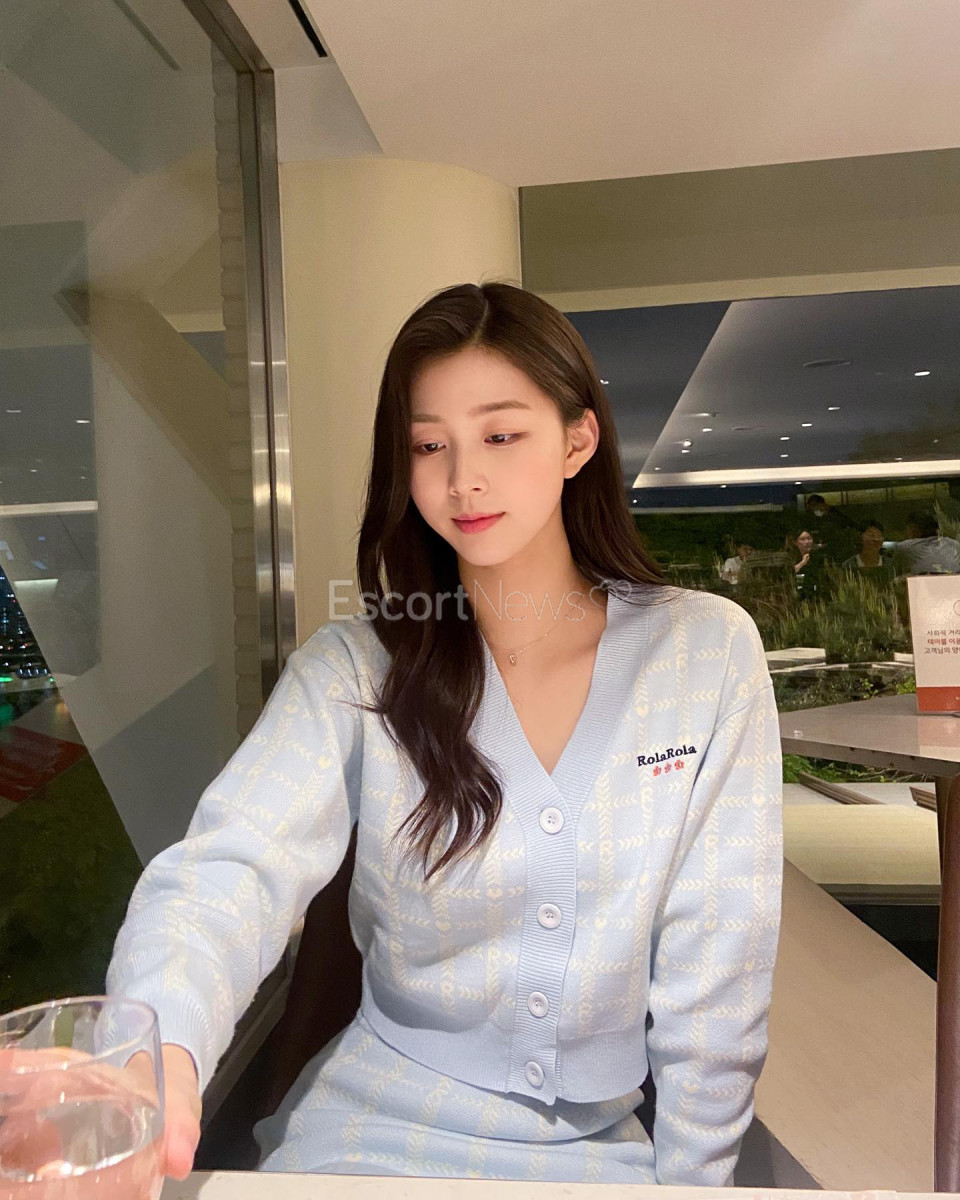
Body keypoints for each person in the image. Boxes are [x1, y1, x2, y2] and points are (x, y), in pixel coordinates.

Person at [104, 282, 783, 1188]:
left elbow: (720, 962)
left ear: (578, 439)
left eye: (501, 435)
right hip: (365, 1133)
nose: (464, 478)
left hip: (596, 1154)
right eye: (430, 445)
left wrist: (693, 1183)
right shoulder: (355, 669)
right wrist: (154, 1052)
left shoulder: (702, 652)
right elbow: (228, 872)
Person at [891, 511, 960, 575]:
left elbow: (895, 571)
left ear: (913, 529)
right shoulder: (955, 545)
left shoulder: (905, 547)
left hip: (921, 584)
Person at [803, 494, 858, 565]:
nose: (813, 509)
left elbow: (848, 528)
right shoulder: (815, 519)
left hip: (839, 551)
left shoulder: (837, 517)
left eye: (815, 506)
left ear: (822, 504)